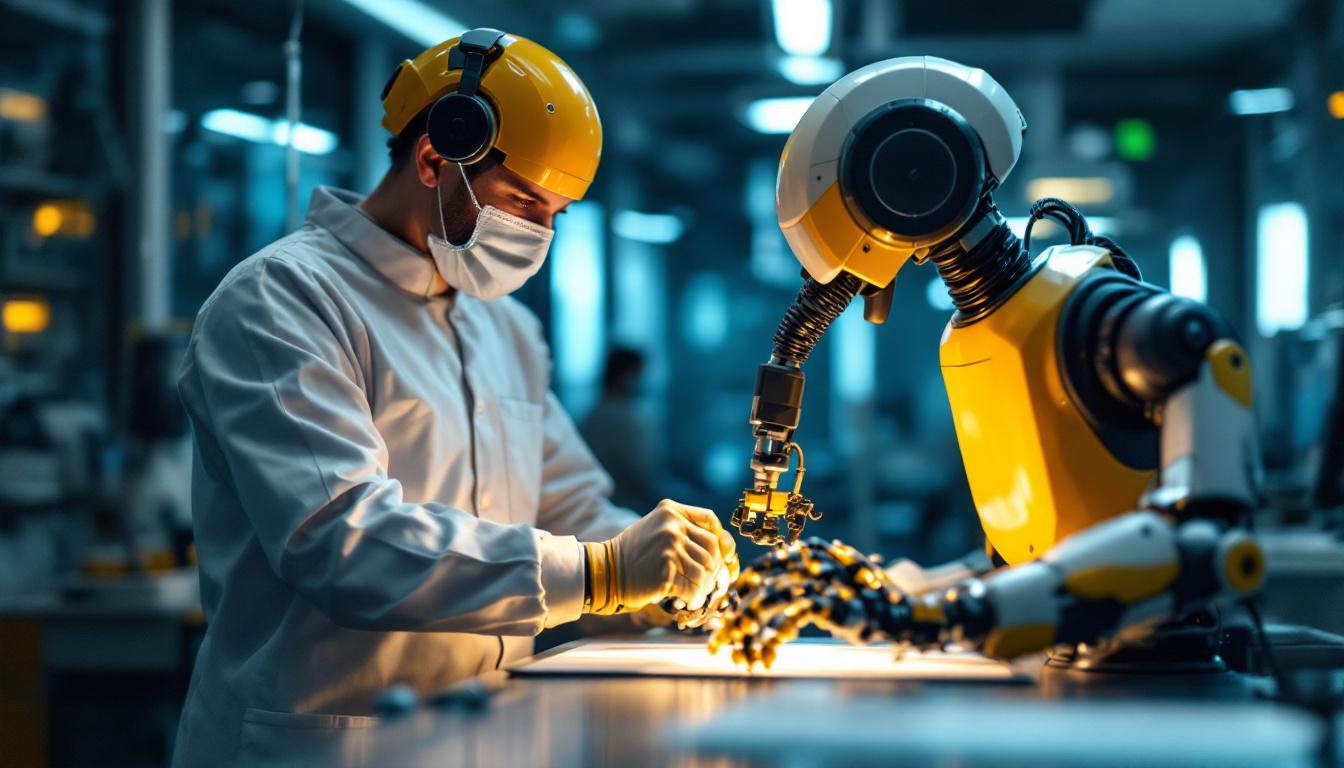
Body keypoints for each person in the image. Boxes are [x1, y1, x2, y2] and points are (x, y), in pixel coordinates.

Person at [172, 29, 735, 766]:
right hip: (321, 743)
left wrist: (664, 578)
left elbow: (570, 509)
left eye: (555, 215)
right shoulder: (283, 300)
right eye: (522, 202)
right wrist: (602, 574)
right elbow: (344, 543)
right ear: (435, 158)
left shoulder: (506, 329)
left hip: (491, 736)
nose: (539, 236)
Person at [580, 347, 657, 511]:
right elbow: (643, 474)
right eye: (639, 374)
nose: (644, 381)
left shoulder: (593, 415)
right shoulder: (625, 419)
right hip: (625, 509)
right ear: (625, 375)